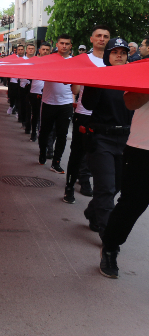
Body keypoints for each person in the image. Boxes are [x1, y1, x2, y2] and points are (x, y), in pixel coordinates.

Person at [98, 72, 149, 278]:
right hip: (143, 148)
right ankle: (110, 246)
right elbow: (129, 102)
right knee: (132, 204)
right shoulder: (145, 70)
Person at [80, 38, 133, 235]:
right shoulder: (100, 76)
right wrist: (96, 82)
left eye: (123, 52)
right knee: (106, 187)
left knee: (118, 185)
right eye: (114, 52)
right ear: (107, 55)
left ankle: (93, 212)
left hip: (126, 140)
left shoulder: (133, 77)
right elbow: (88, 105)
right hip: (102, 139)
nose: (119, 55)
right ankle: (107, 237)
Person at [63, 24, 111, 204]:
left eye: (105, 36)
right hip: (84, 113)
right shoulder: (84, 60)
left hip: (105, 117)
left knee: (99, 155)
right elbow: (74, 88)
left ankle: (89, 184)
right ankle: (69, 187)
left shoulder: (113, 61)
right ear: (92, 39)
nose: (102, 39)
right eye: (98, 35)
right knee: (77, 153)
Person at [38, 34, 74, 174]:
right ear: (57, 45)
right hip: (48, 101)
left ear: (70, 46)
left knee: (62, 134)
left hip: (66, 103)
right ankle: (42, 152)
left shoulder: (74, 62)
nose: (64, 46)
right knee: (44, 132)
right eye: (62, 43)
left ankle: (56, 162)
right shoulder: (48, 60)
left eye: (67, 43)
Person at [28, 42, 51, 141]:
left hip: (48, 94)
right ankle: (34, 133)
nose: (45, 51)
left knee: (45, 117)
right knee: (36, 114)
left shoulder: (53, 63)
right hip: (35, 92)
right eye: (43, 49)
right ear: (40, 50)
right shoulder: (34, 62)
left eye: (47, 50)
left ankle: (42, 135)